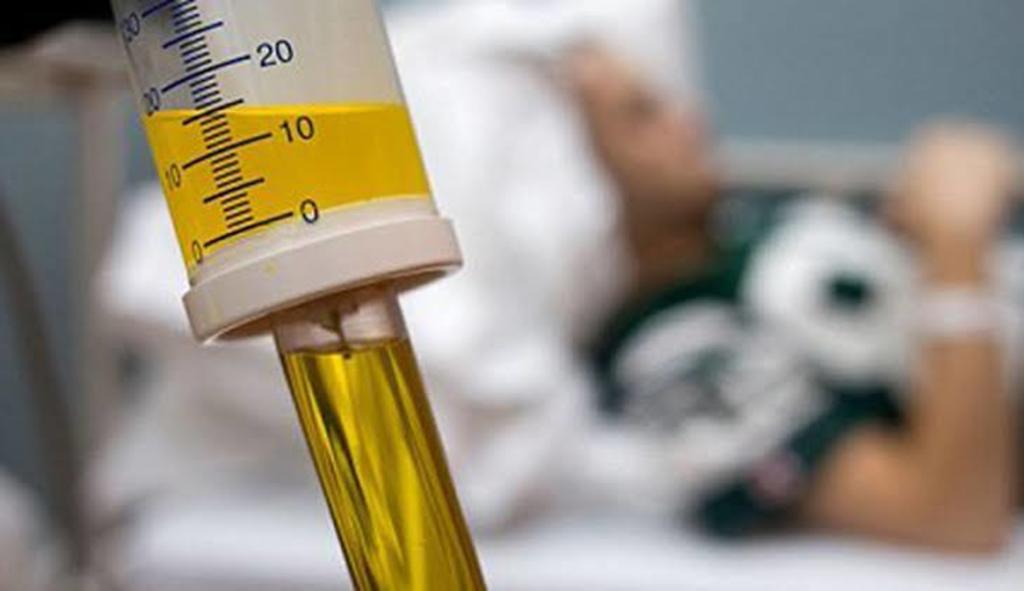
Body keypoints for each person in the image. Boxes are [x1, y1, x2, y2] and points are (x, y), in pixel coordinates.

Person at [569, 46, 1020, 552]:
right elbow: (951, 516)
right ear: (568, 179)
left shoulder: (756, 233)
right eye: (642, 115)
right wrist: (957, 237)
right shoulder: (676, 362)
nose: (689, 120)